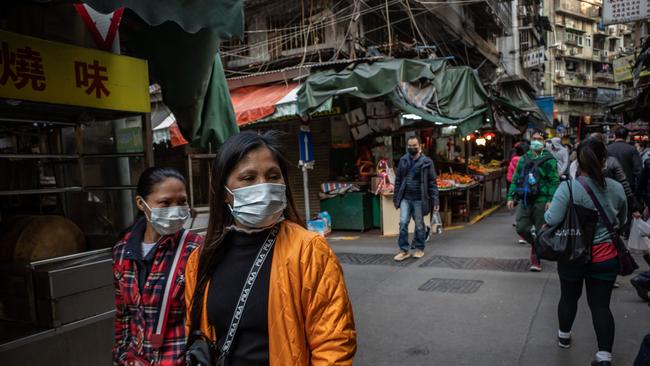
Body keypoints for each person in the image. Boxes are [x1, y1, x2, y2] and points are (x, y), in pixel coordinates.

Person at [184, 131, 356, 365]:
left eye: (273, 175)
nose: (263, 186)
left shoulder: (309, 250)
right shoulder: (200, 260)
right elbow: (196, 334)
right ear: (224, 193)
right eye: (248, 178)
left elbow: (334, 345)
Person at [545, 138, 627, 366]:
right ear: (604, 160)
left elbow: (552, 219)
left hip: (573, 255)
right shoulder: (617, 188)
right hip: (606, 256)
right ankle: (604, 356)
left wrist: (549, 210)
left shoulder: (568, 188)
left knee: (569, 297)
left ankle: (564, 336)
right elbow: (622, 220)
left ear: (576, 161)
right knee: (601, 305)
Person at [113, 167, 203, 365]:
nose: (175, 209)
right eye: (165, 203)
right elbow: (124, 315)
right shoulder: (122, 251)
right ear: (141, 204)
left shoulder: (195, 249)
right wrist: (122, 356)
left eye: (182, 202)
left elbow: (206, 316)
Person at [507, 129, 560, 271]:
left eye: (539, 139)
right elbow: (516, 178)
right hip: (525, 198)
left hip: (542, 200)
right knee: (521, 227)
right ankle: (535, 245)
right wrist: (510, 196)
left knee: (540, 230)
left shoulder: (549, 160)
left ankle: (535, 257)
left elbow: (554, 181)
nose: (536, 141)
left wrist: (550, 199)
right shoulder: (524, 158)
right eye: (534, 138)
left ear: (544, 142)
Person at [570, 133, 640, 220]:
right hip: (611, 209)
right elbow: (625, 184)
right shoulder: (613, 162)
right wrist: (634, 207)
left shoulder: (576, 166)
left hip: (583, 213)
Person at [393, 135, 440, 261]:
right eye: (410, 146)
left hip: (420, 199)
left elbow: (432, 182)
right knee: (403, 223)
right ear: (407, 146)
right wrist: (396, 197)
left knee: (419, 224)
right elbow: (398, 181)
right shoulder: (403, 160)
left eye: (414, 145)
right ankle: (403, 250)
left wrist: (435, 200)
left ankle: (419, 248)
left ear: (420, 146)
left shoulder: (427, 162)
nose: (412, 147)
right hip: (405, 198)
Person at [608, 127, 642, 191]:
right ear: (627, 137)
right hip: (628, 185)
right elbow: (638, 170)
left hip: (611, 185)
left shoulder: (608, 149)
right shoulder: (632, 149)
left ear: (615, 136)